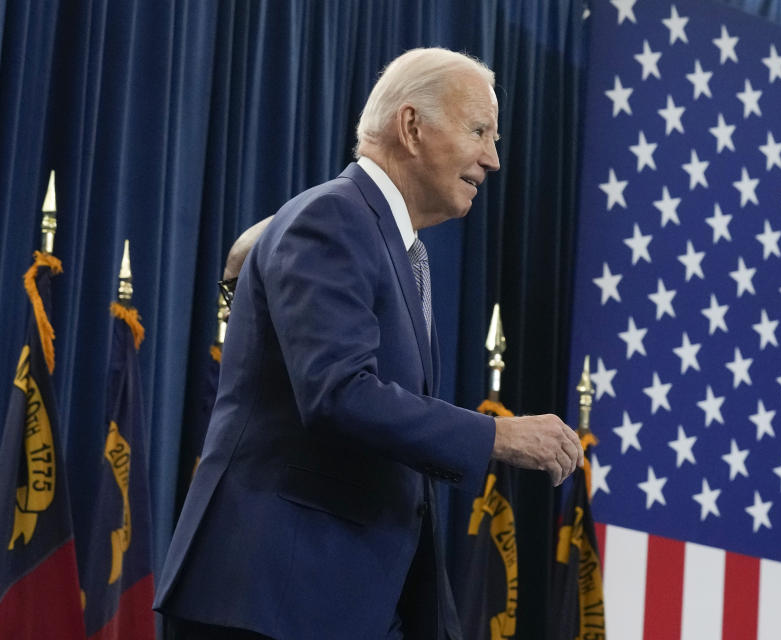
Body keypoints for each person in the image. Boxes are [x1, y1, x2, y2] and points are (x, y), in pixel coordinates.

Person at [154, 47, 583, 639]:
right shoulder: (334, 218)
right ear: (411, 127)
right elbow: (339, 392)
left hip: (338, 599)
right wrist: (496, 434)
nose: (493, 158)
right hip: (270, 596)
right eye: (479, 131)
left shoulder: (396, 246)